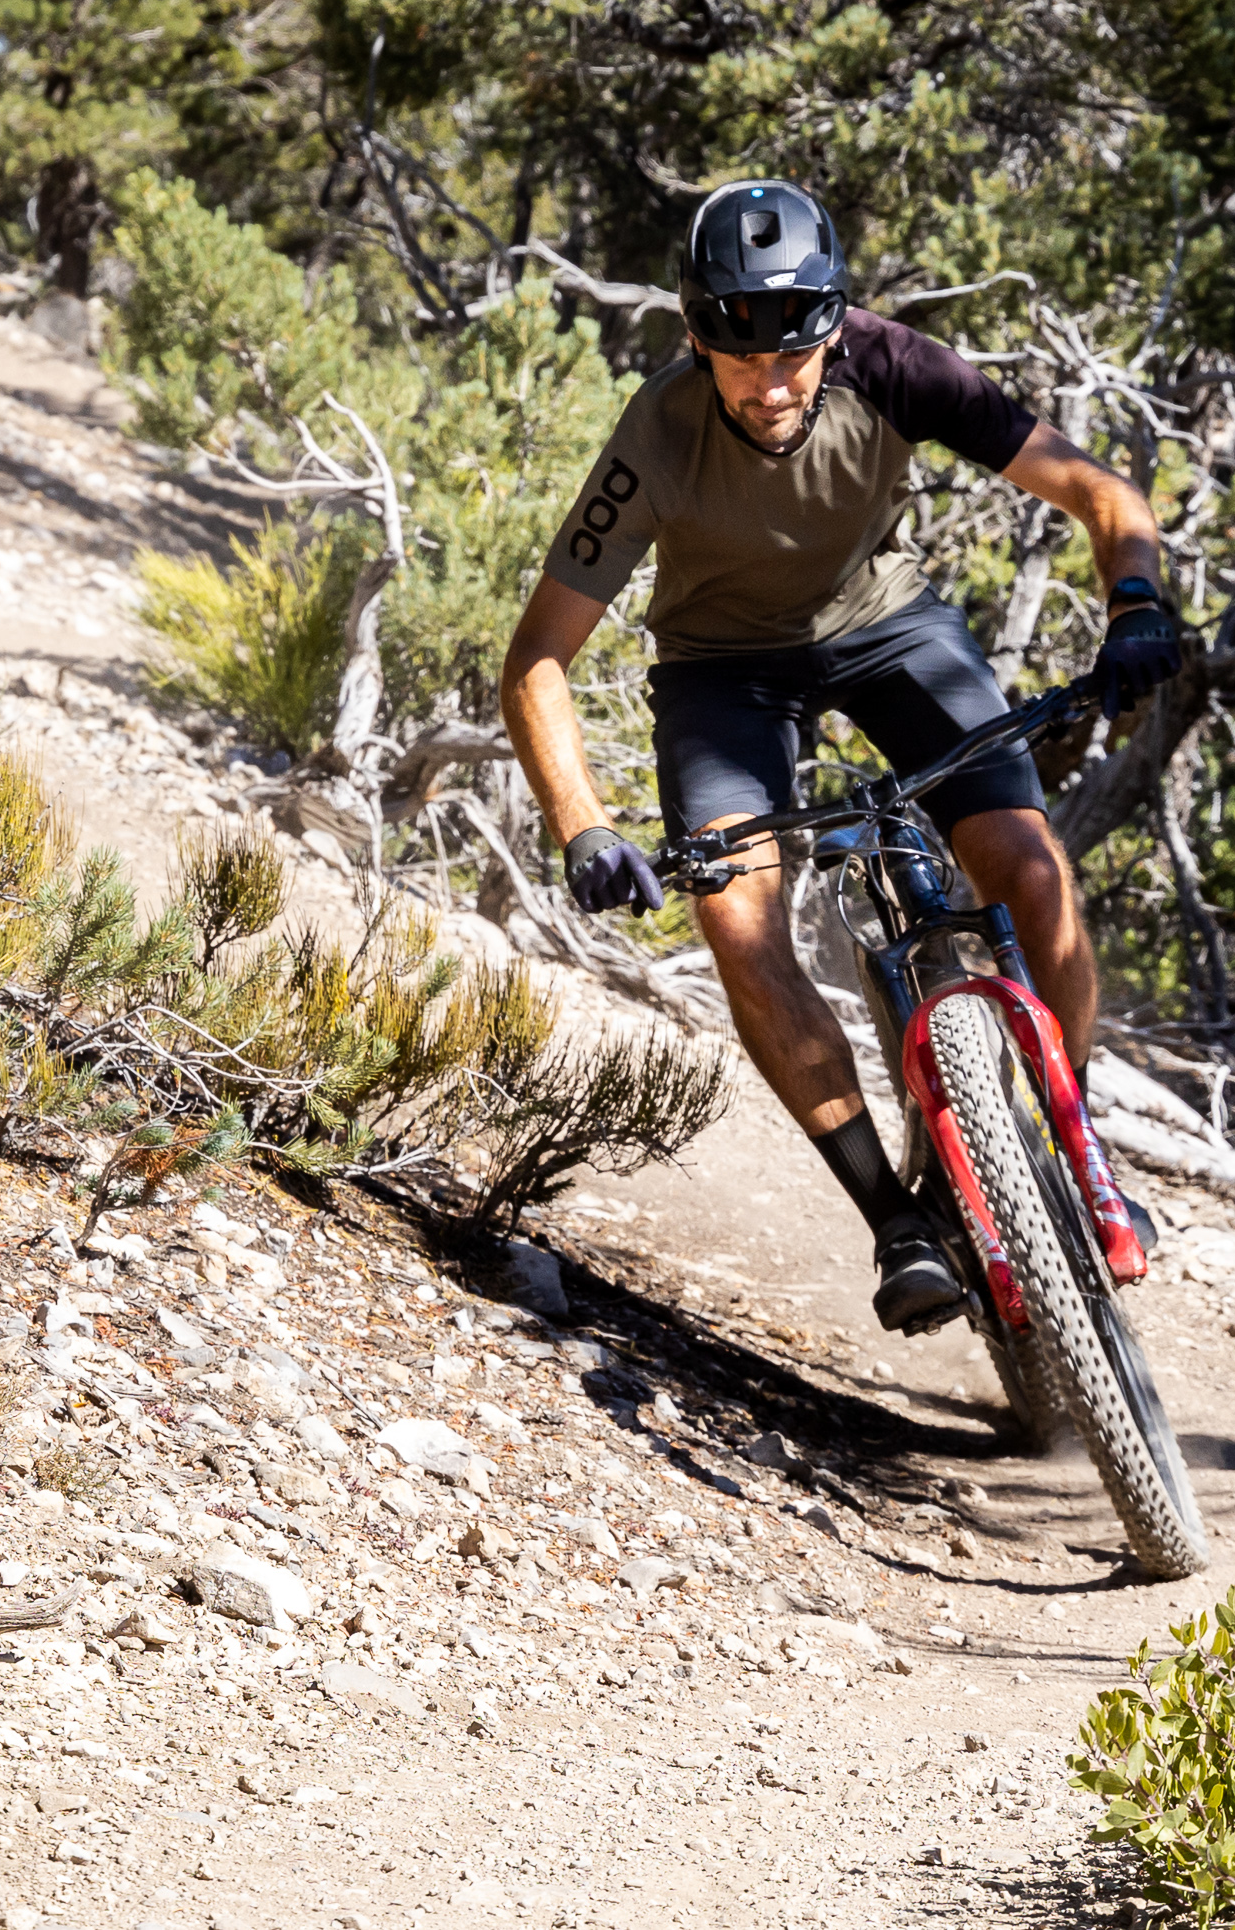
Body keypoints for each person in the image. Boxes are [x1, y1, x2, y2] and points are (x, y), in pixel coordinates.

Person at [497, 180, 1188, 1334]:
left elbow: (1098, 492)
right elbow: (538, 660)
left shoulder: (897, 365)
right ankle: (896, 1218)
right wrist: (584, 826)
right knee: (737, 917)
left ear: (833, 327)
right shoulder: (656, 435)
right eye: (739, 358)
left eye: (796, 358)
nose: (771, 388)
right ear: (694, 331)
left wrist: (1136, 603)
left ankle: (1069, 1150)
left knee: (1028, 865)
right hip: (722, 668)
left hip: (889, 629)